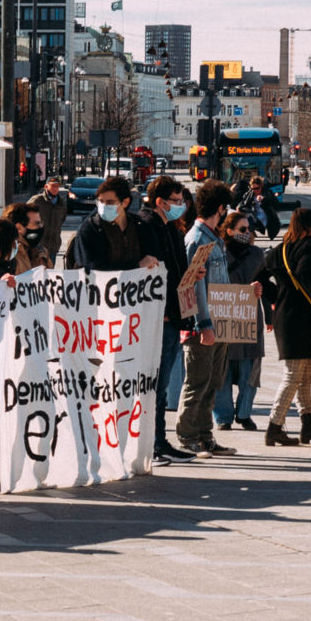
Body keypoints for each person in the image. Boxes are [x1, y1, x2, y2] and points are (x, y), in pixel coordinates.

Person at [261, 208, 311, 445]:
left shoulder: (280, 249)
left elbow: (258, 276)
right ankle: (274, 426)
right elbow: (305, 277)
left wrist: (277, 295)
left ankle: (307, 425)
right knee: (294, 374)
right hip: (301, 317)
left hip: (284, 315)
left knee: (304, 372)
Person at [139, 176, 197, 464]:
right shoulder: (147, 225)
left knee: (161, 385)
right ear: (159, 202)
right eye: (175, 201)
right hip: (158, 315)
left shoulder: (171, 227)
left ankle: (160, 440)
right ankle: (152, 443)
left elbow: (175, 267)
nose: (180, 206)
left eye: (182, 201)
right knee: (156, 384)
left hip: (172, 313)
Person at [178, 179, 235, 459]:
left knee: (213, 382)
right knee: (198, 382)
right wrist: (204, 324)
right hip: (205, 326)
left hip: (219, 323)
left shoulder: (213, 238)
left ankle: (204, 435)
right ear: (221, 208)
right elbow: (193, 286)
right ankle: (188, 436)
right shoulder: (197, 239)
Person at [213, 209, 266, 433]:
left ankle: (244, 414)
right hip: (224, 316)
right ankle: (223, 416)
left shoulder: (257, 254)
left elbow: (267, 283)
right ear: (229, 231)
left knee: (250, 369)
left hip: (250, 318)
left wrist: (261, 289)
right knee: (222, 369)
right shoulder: (218, 254)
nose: (247, 232)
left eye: (249, 229)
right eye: (242, 229)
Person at [65, 176, 159, 272]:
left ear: (125, 202)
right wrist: (136, 266)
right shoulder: (90, 229)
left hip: (136, 285)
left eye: (110, 202)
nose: (104, 206)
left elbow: (152, 256)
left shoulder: (140, 227)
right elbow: (91, 269)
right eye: (101, 201)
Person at [27, 174, 69, 262]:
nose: (55, 189)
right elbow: (24, 216)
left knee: (50, 273)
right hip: (37, 247)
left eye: (57, 186)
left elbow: (62, 220)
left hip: (53, 247)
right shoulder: (36, 201)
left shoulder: (61, 203)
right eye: (53, 186)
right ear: (46, 186)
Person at [2, 202, 52, 273]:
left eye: (41, 223)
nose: (41, 227)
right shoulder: (7, 254)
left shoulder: (42, 252)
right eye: (36, 224)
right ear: (19, 228)